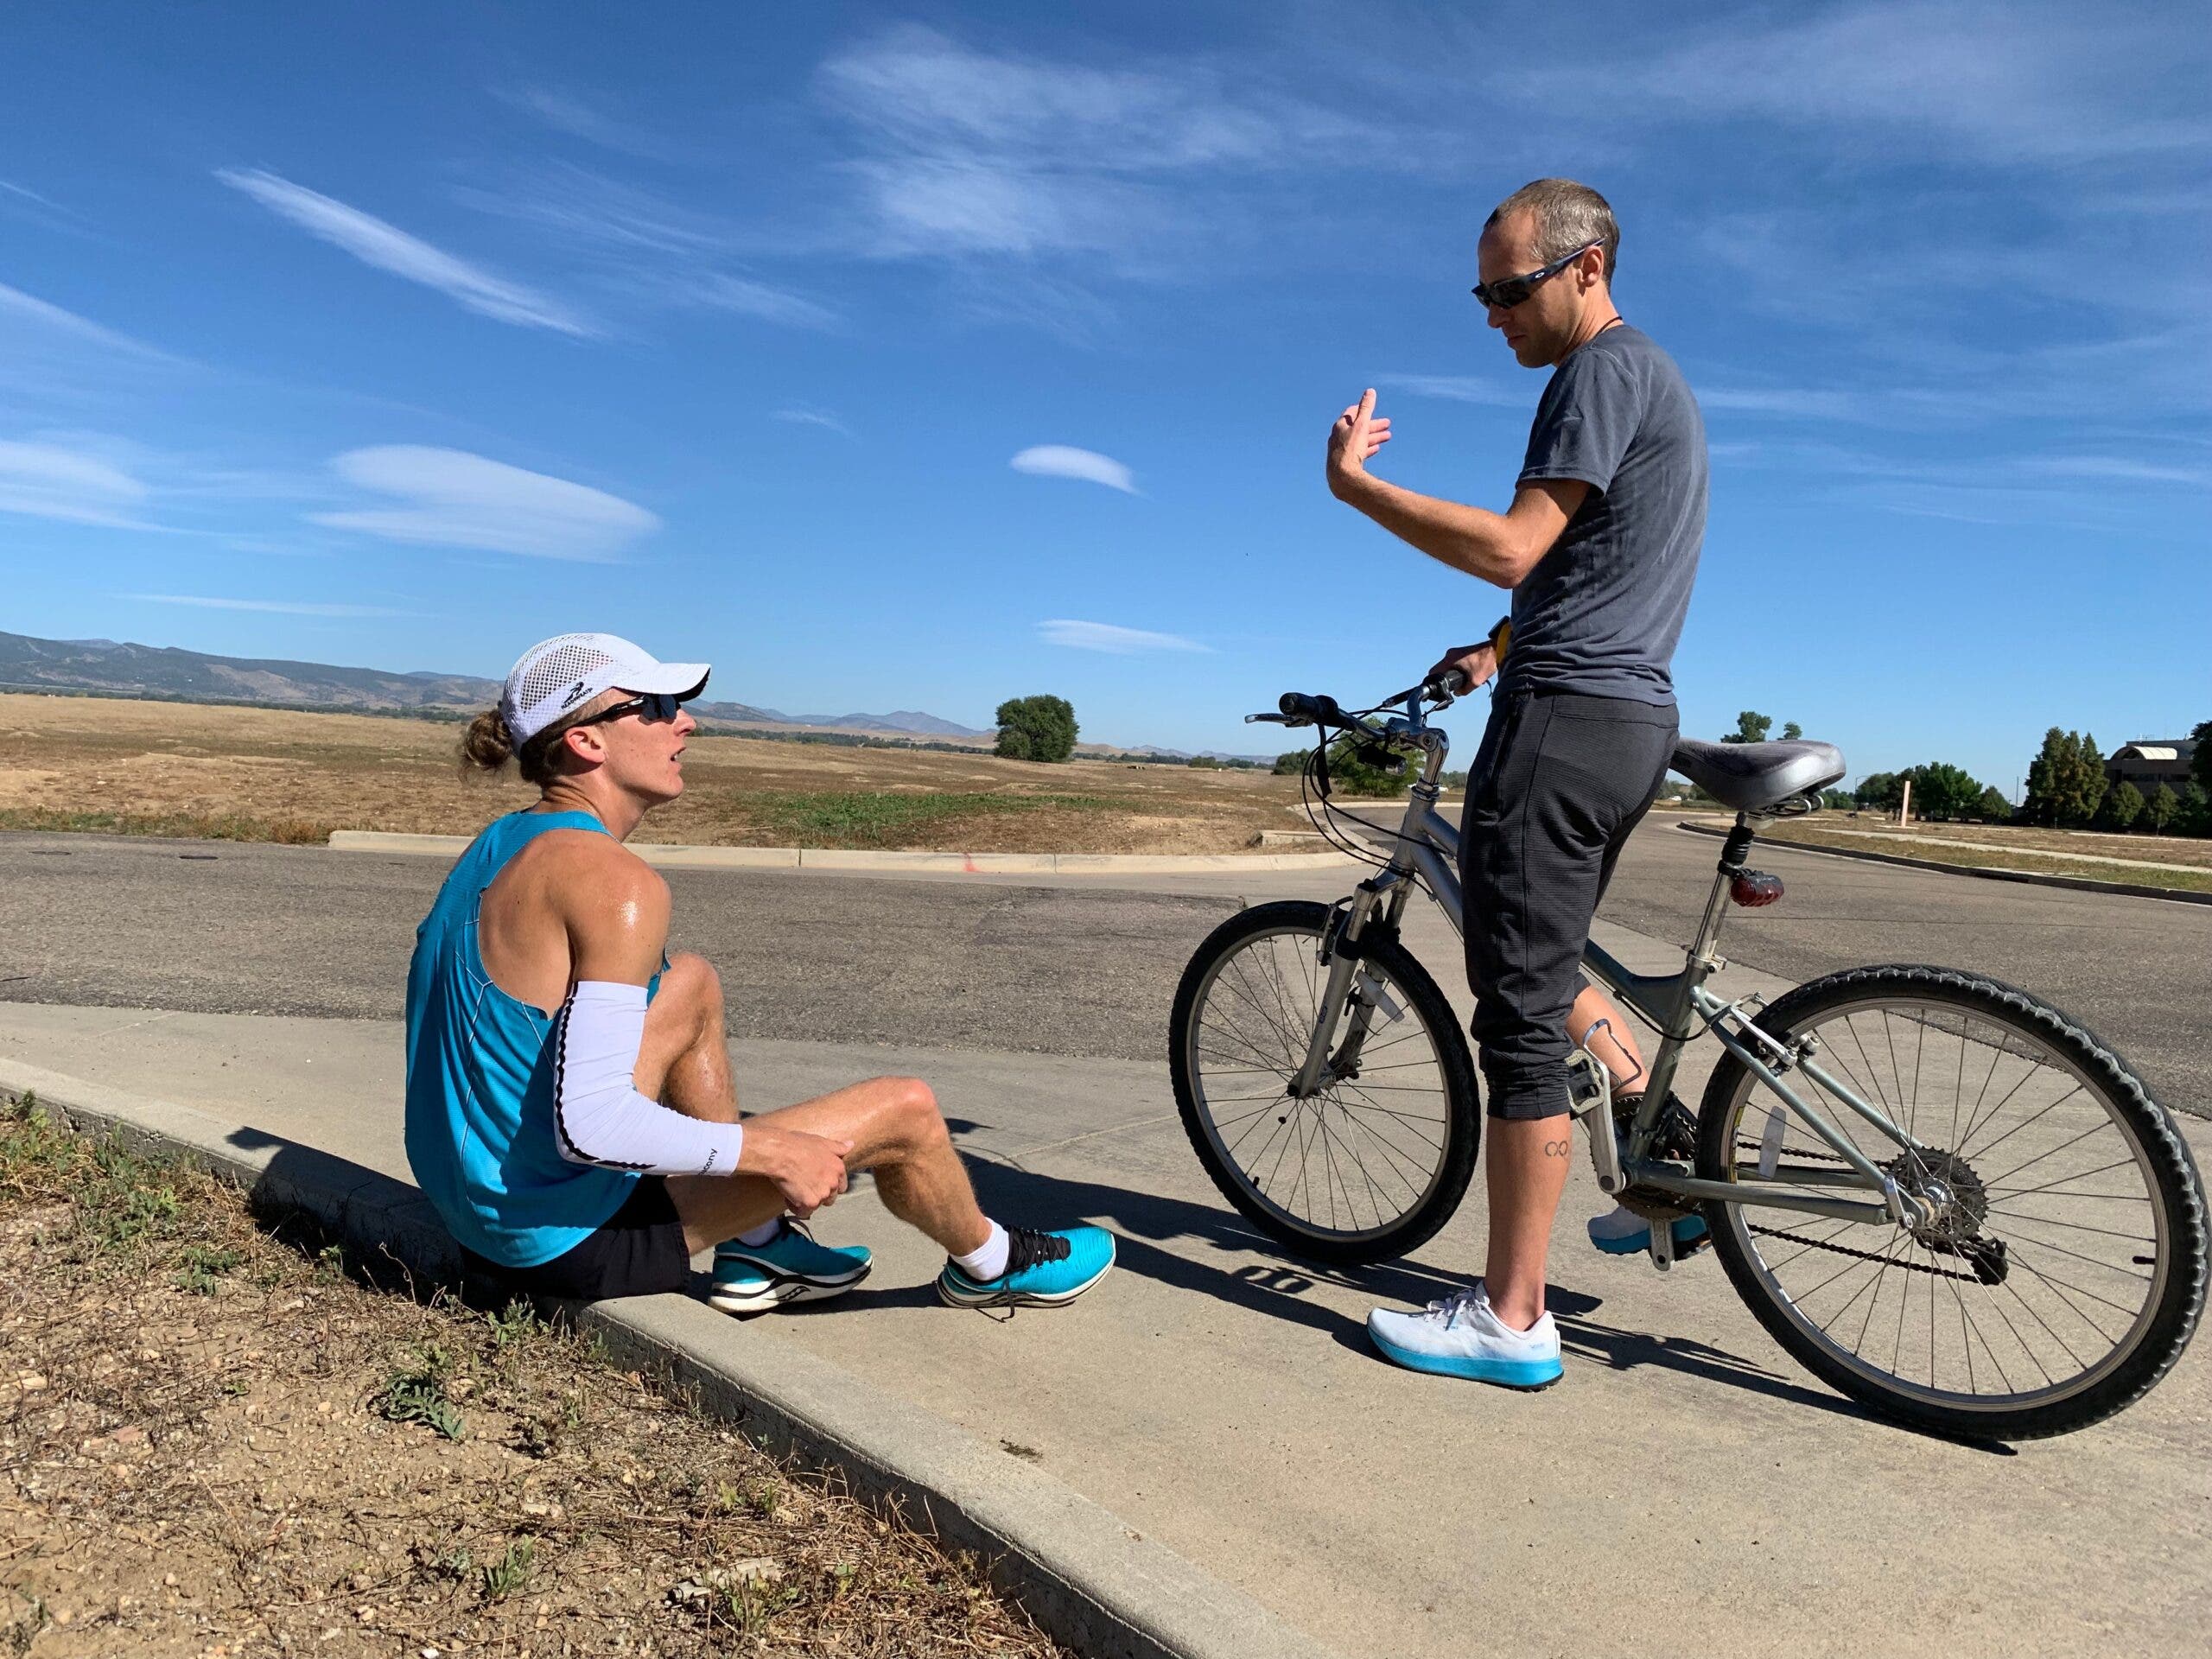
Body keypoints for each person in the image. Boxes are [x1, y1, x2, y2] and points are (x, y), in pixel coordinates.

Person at [404, 631, 1114, 1316]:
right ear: (587, 741)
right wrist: (772, 1154)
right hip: (557, 1243)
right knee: (908, 1108)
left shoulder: (504, 841)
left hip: (473, 1201)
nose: (684, 723)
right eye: (652, 708)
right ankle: (992, 1265)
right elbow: (587, 1128)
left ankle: (756, 1246)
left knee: (690, 981)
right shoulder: (615, 882)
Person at [1322, 179, 1708, 1389]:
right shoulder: (1649, 377)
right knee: (1534, 961)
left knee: (1519, 1013)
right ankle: (1667, 1168)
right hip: (1622, 710)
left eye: (1508, 288)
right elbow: (1591, 564)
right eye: (1481, 292)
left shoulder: (1595, 373)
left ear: (1583, 268)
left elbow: (1514, 543)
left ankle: (1511, 1316)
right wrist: (1496, 645)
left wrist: (1359, 491)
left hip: (1566, 724)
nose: (1492, 313)